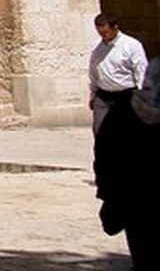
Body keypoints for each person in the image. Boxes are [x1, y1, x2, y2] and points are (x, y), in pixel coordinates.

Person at [90, 14, 155, 268]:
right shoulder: (98, 50)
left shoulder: (131, 45)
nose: (102, 34)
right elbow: (103, 155)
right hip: (132, 190)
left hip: (135, 189)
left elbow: (140, 69)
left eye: (105, 30)